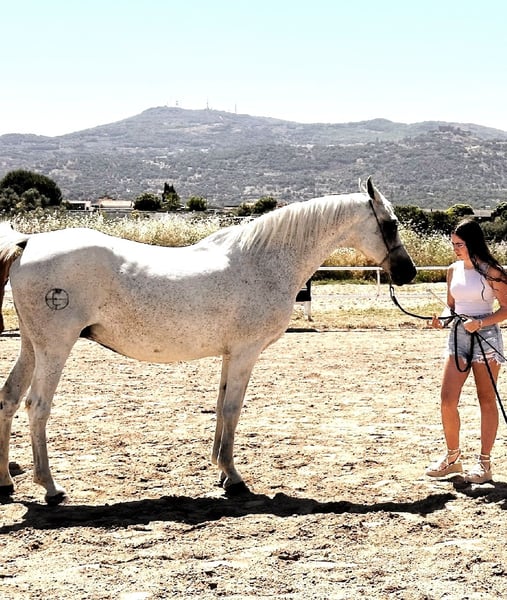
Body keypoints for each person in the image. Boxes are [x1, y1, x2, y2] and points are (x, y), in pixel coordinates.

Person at [426, 218, 507, 484]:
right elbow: (451, 306)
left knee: (486, 399)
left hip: (486, 337)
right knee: (447, 399)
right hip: (458, 336)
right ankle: (453, 458)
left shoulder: (492, 271)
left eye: (459, 244)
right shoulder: (453, 270)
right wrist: (442, 320)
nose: (455, 249)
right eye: (453, 244)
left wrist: (481, 323)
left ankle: (484, 463)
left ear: (472, 243)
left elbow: (506, 309)